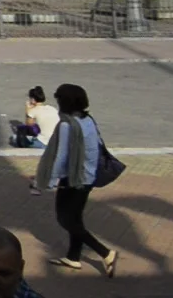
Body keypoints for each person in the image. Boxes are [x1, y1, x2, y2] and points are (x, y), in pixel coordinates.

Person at [34, 82, 117, 276]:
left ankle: (105, 253)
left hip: (72, 179)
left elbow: (61, 156)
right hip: (87, 177)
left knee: (65, 220)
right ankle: (73, 257)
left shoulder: (66, 125)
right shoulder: (88, 119)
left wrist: (50, 180)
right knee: (75, 218)